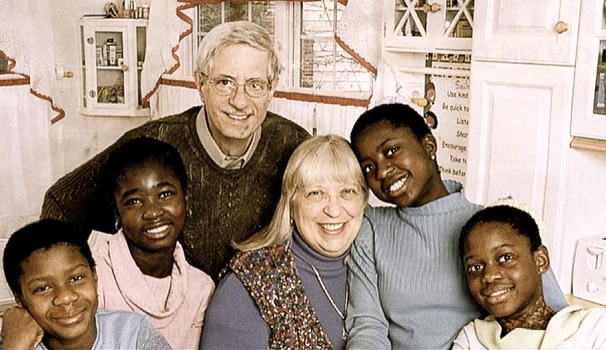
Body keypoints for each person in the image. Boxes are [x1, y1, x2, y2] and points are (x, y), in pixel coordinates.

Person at [40, 21, 310, 281]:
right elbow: (63, 201)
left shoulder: (294, 144)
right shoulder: (153, 143)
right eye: (225, 82)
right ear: (200, 84)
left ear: (271, 88)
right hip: (168, 312)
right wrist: (70, 286)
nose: (239, 101)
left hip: (252, 313)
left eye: (254, 85)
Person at [345, 103, 568, 349]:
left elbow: (555, 316)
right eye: (368, 167)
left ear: (428, 145)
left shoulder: (493, 229)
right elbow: (368, 327)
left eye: (391, 151)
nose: (382, 171)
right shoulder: (370, 230)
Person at [200, 134, 368, 350]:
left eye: (347, 192)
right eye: (315, 193)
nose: (334, 210)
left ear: (363, 201)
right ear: (291, 203)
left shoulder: (377, 266)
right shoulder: (252, 282)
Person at [93, 138, 214, 349]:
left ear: (187, 198)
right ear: (117, 213)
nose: (153, 212)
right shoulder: (93, 277)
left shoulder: (200, 288)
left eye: (165, 194)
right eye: (134, 201)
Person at [453, 205, 606, 349]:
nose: (489, 276)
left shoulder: (595, 328)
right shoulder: (472, 340)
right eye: (475, 267)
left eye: (506, 258)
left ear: (540, 260)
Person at [0, 219, 171, 350]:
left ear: (94, 276)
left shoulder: (133, 334)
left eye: (76, 278)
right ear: (20, 299)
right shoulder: (11, 343)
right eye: (43, 288)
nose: (65, 297)